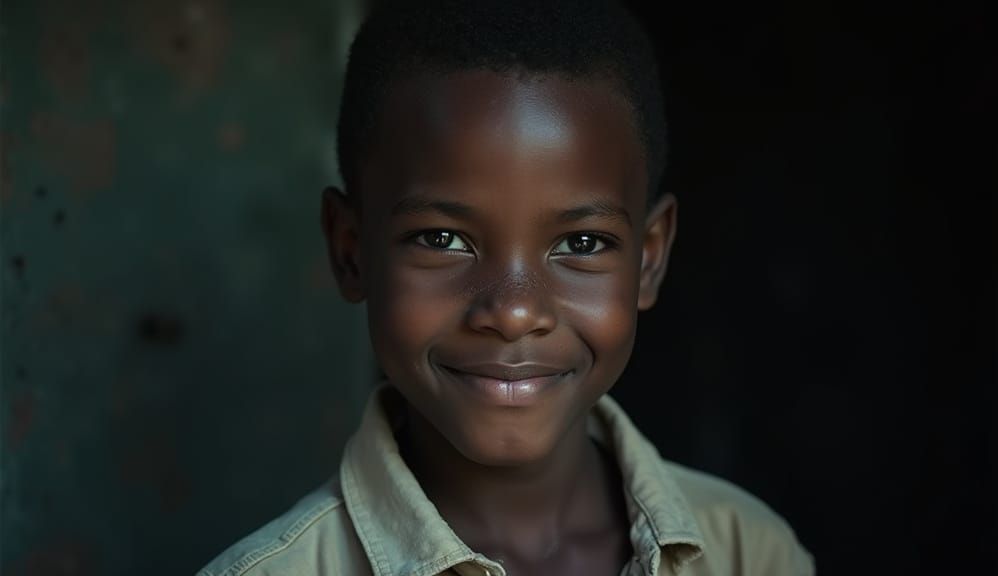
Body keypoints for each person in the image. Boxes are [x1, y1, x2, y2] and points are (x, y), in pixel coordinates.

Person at [198, 1, 814, 574]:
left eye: (581, 244)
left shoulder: (749, 552)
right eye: (441, 240)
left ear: (649, 259)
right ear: (351, 251)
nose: (515, 312)